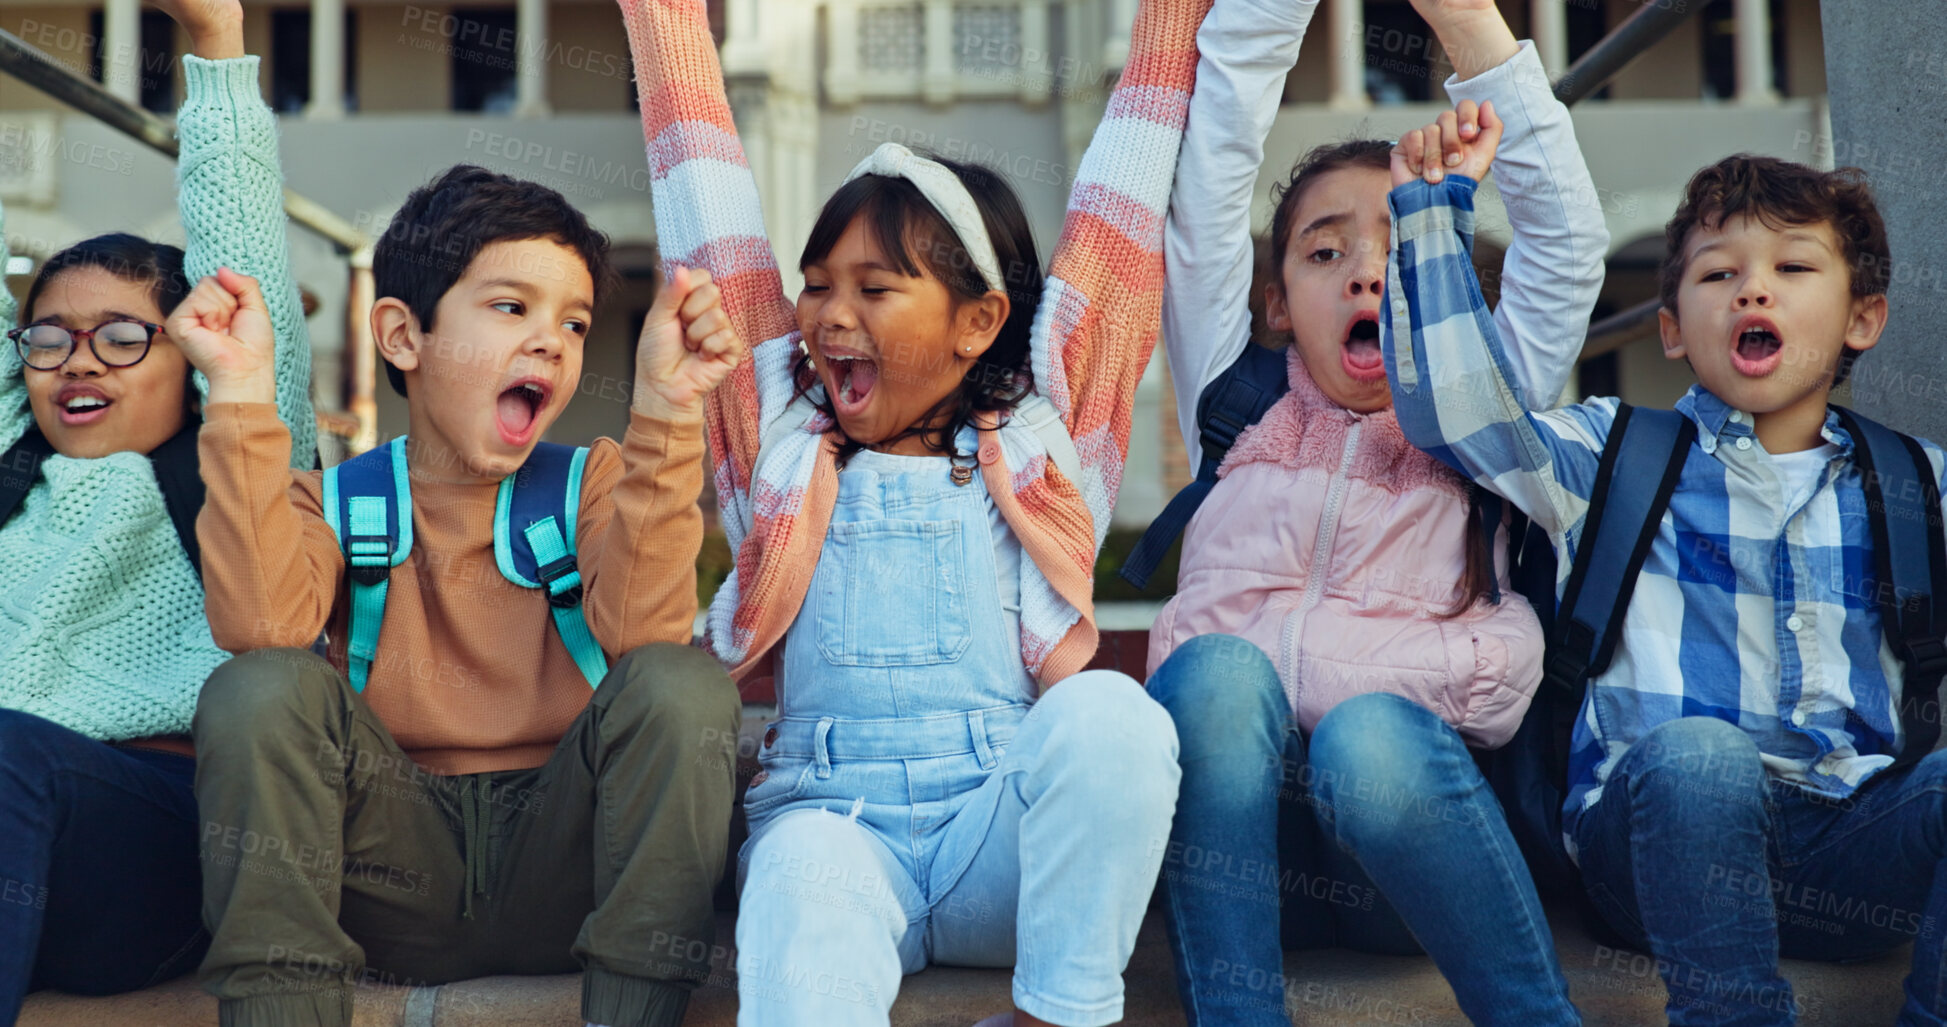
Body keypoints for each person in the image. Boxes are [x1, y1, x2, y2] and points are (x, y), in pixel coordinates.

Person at [614, 0, 1217, 1021]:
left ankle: (1059, 1009)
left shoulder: (1046, 445)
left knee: (1115, 717)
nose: (827, 315)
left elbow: (1124, 204)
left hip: (1000, 840)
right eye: (815, 286)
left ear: (980, 322)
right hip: (835, 823)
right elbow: (701, 194)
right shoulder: (775, 437)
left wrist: (1171, 17)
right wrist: (662, 18)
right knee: (799, 881)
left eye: (874, 289)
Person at [175, 161, 744, 1027]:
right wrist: (242, 394)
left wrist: (667, 408)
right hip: (386, 877)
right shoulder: (333, 501)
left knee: (681, 680)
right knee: (256, 686)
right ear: (404, 337)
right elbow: (261, 624)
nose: (552, 339)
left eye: (576, 321)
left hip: (573, 866)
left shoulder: (589, 482)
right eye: (512, 307)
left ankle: (632, 1013)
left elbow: (644, 634)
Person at [1387, 146, 1947, 1025]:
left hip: (1850, 845)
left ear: (1861, 319)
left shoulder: (1917, 481)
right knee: (1701, 756)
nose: (1752, 291)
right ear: (1672, 329)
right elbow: (1458, 418)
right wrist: (1430, 213)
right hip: (1653, 844)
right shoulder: (1610, 454)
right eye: (1718, 273)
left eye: (1793, 267)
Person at [1142, 0, 1610, 1022]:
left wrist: (1465, 22)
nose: (1363, 267)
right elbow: (1214, 165)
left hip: (1408, 846)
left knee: (1365, 737)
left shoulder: (1482, 406)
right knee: (1217, 674)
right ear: (1274, 303)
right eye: (1322, 253)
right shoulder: (1235, 395)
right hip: (1244, 846)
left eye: (1394, 245)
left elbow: (1568, 245)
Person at [0, 0, 315, 1017]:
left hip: (144, 842)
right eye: (48, 338)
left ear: (195, 354)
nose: (78, 357)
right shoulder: (13, 460)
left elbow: (246, 262)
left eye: (122, 337)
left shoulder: (231, 462)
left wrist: (217, 49)